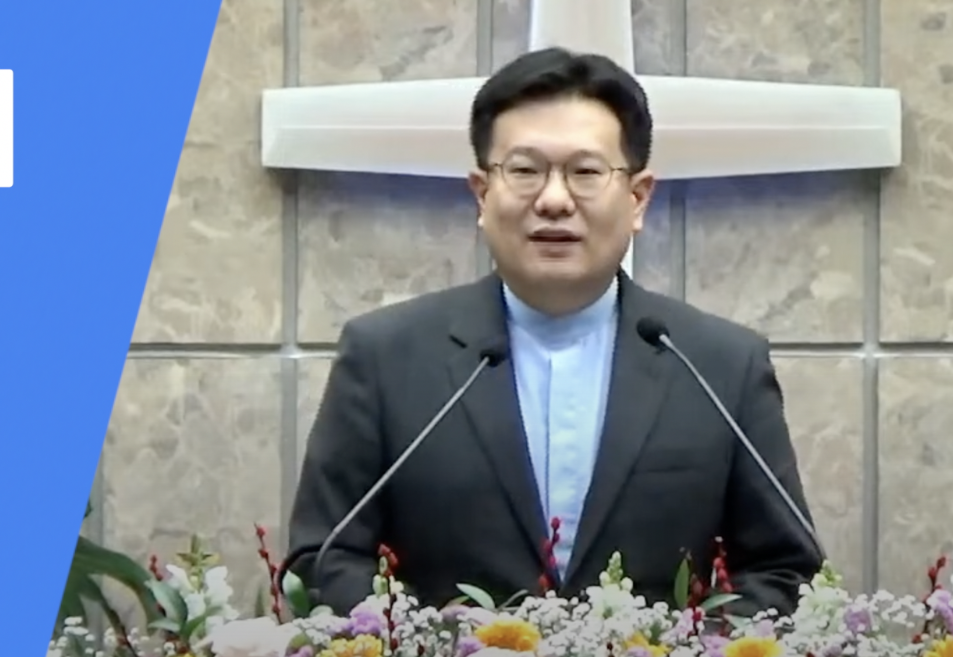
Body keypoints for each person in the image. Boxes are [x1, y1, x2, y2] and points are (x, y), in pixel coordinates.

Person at [282, 47, 822, 620]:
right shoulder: (385, 357)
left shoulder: (721, 365)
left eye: (586, 173)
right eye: (524, 171)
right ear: (481, 194)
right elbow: (324, 560)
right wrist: (438, 643)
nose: (555, 200)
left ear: (638, 199)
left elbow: (784, 571)